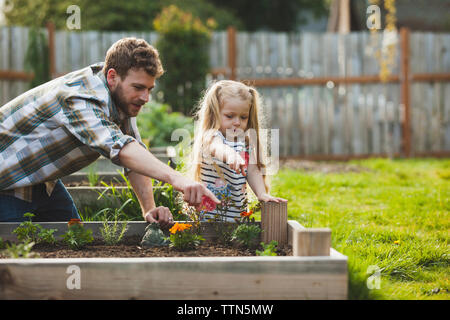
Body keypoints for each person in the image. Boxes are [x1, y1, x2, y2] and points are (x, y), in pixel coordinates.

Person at [0, 37, 219, 225]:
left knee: (76, 241)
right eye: (139, 88)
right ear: (113, 76)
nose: (145, 98)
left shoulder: (118, 99)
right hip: (6, 183)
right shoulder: (78, 98)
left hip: (40, 182)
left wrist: (149, 208)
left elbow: (134, 154)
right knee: (14, 256)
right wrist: (178, 180)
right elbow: (120, 148)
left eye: (149, 89)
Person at [189, 80, 287, 221]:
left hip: (236, 217)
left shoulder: (245, 142)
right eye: (230, 116)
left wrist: (262, 193)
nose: (237, 122)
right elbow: (217, 148)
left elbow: (252, 171)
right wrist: (230, 155)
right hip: (208, 218)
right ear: (214, 114)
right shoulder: (211, 136)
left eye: (243, 117)